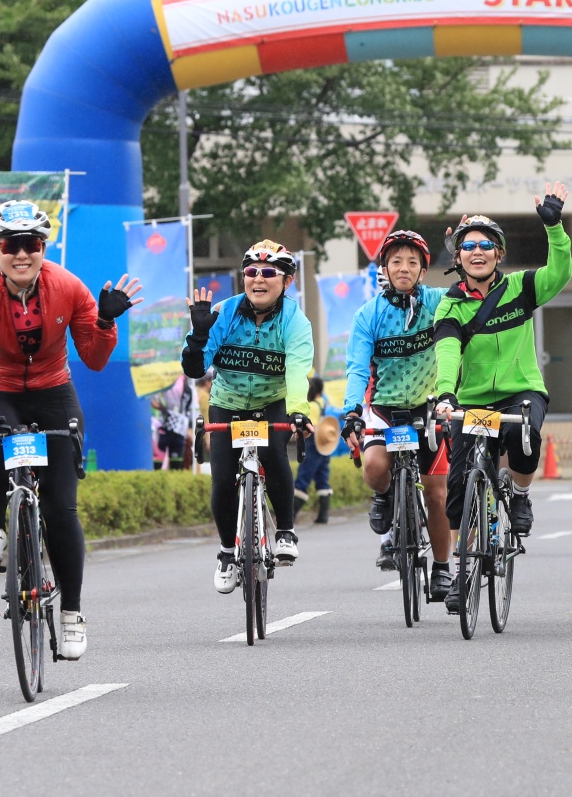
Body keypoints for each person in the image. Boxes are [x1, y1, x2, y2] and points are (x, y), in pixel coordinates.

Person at [0, 199, 142, 662]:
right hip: (1, 391)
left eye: (32, 245)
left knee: (61, 509)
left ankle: (72, 614)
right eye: (10, 246)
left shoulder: (68, 287)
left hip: (54, 390)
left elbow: (96, 358)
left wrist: (105, 320)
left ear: (44, 248)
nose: (22, 254)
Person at [434, 184, 571, 613]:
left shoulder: (520, 288)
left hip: (521, 391)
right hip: (470, 401)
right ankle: (462, 570)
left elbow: (560, 272)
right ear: (457, 258)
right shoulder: (449, 306)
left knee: (525, 438)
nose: (477, 251)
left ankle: (522, 494)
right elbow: (448, 351)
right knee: (459, 482)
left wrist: (554, 228)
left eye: (486, 245)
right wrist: (444, 394)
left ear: (499, 254)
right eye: (468, 246)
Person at [183, 239, 314, 594]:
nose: (258, 278)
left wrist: (299, 412)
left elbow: (298, 373)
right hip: (227, 403)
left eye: (269, 272)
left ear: (287, 281)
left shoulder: (295, 322)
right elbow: (196, 370)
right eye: (251, 272)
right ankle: (227, 552)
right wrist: (197, 337)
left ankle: (285, 530)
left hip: (274, 403)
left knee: (274, 453)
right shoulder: (223, 313)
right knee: (223, 479)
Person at [341, 229, 452, 599]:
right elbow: (357, 368)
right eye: (396, 261)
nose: (403, 268)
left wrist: (459, 250)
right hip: (384, 410)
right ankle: (387, 495)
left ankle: (440, 570)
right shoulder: (367, 315)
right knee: (374, 467)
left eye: (412, 262)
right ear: (384, 268)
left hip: (428, 407)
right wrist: (352, 412)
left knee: (437, 495)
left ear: (423, 270)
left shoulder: (438, 302)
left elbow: (472, 288)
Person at [292, 376, 339, 524]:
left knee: (302, 479)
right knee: (322, 478)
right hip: (324, 444)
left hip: (313, 445)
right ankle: (323, 516)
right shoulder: (323, 402)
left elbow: (308, 428)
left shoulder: (311, 406)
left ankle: (290, 517)